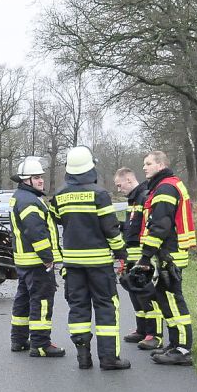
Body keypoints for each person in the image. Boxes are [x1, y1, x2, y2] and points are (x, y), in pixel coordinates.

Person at [51, 146, 130, 370]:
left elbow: (57, 220)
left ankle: (83, 358)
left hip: (73, 264)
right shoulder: (100, 194)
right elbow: (111, 228)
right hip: (99, 265)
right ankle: (108, 359)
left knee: (78, 308)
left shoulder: (60, 195)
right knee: (105, 307)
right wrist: (121, 252)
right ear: (90, 168)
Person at [136, 151, 196, 366]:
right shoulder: (165, 186)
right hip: (168, 253)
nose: (145, 167)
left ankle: (182, 348)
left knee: (172, 298)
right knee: (164, 296)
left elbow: (160, 226)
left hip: (169, 254)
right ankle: (174, 344)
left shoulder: (165, 188)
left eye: (149, 163)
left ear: (161, 165)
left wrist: (145, 257)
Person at [8, 157, 65, 358]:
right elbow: (36, 232)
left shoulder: (22, 197)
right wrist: (48, 257)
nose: (41, 180)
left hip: (25, 262)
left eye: (41, 176)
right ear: (26, 180)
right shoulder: (30, 201)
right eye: (36, 177)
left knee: (23, 300)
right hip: (37, 263)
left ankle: (19, 340)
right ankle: (41, 344)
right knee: (41, 301)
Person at [113, 168, 162, 350]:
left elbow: (147, 225)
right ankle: (142, 329)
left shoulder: (144, 196)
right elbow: (133, 225)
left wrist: (146, 257)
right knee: (134, 292)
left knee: (147, 293)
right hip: (131, 252)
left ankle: (154, 334)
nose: (119, 190)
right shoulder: (133, 200)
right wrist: (120, 226)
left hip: (142, 253)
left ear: (128, 179)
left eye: (119, 185)